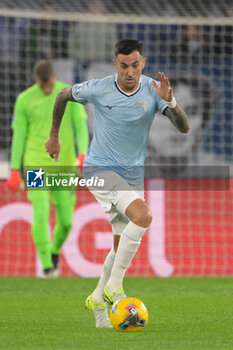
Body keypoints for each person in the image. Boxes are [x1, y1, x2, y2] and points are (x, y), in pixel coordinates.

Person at [45, 39, 189, 326]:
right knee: (144, 215)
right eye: (124, 66)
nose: (130, 72)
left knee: (120, 242)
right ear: (116, 65)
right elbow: (62, 95)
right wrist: (54, 136)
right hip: (99, 169)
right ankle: (115, 288)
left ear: (142, 63)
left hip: (132, 177)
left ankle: (98, 297)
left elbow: (184, 128)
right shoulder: (98, 88)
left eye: (135, 65)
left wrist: (171, 101)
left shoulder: (152, 89)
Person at [6, 60, 89, 277]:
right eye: (42, 86)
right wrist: (14, 169)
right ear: (36, 80)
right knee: (40, 214)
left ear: (54, 76)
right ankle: (46, 266)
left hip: (65, 166)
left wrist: (83, 153)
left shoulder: (69, 95)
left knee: (66, 221)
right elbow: (20, 136)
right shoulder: (24, 100)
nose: (46, 89)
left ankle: (54, 251)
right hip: (36, 165)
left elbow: (80, 126)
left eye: (49, 84)